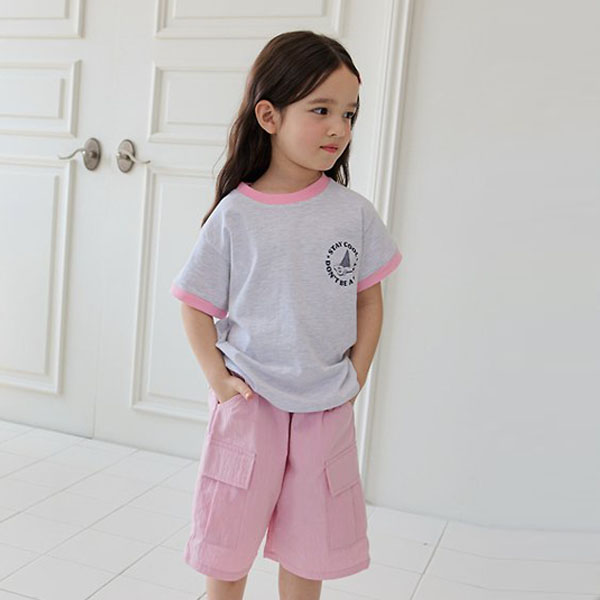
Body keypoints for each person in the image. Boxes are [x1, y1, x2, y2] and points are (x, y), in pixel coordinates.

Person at [170, 30, 403, 600]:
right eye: (321, 110)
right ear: (269, 116)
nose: (339, 128)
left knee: (311, 541)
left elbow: (369, 299)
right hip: (251, 402)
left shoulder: (353, 215)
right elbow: (194, 304)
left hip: (325, 402)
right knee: (229, 535)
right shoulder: (236, 215)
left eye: (349, 114)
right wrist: (219, 381)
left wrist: (357, 374)